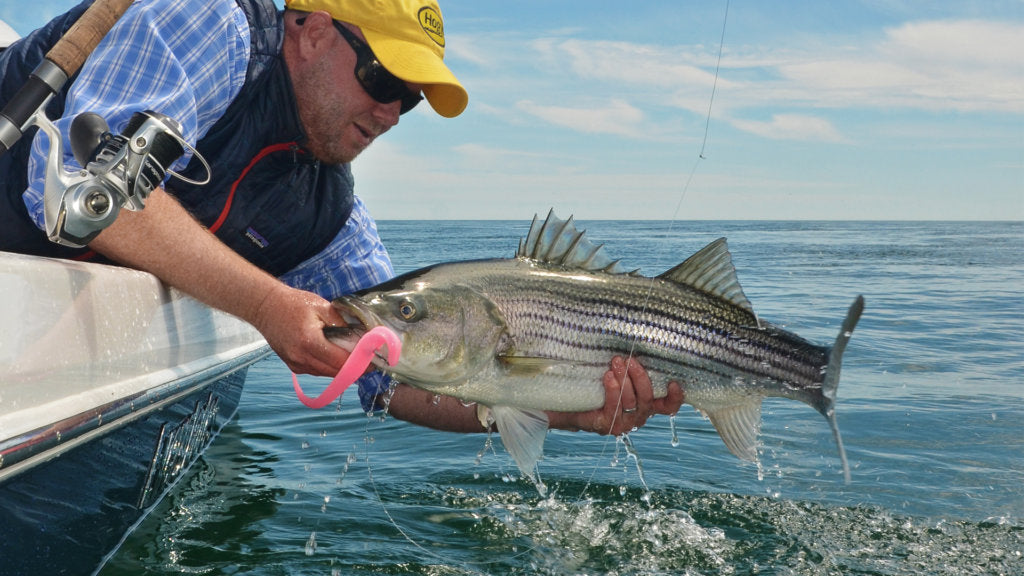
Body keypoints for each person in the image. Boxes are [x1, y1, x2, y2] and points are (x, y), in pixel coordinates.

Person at [0, 0, 683, 436]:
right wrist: (268, 305)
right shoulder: (214, 21)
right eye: (384, 82)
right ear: (312, 32)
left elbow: (390, 379)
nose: (389, 115)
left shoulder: (330, 212)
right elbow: (82, 195)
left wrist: (563, 410)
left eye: (407, 102)